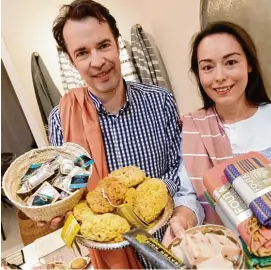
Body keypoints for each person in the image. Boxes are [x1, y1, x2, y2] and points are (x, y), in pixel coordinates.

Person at [37, 0, 204, 268]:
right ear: (72, 61)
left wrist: (150, 201)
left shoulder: (160, 102)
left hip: (169, 243)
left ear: (117, 43)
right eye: (82, 53)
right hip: (112, 258)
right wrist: (54, 210)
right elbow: (71, 191)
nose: (97, 61)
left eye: (103, 45)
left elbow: (179, 166)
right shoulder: (62, 119)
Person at [163, 21, 271, 268]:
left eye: (231, 62)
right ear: (199, 74)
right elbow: (189, 195)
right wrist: (181, 219)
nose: (220, 76)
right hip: (223, 259)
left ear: (250, 64)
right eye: (207, 67)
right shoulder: (194, 126)